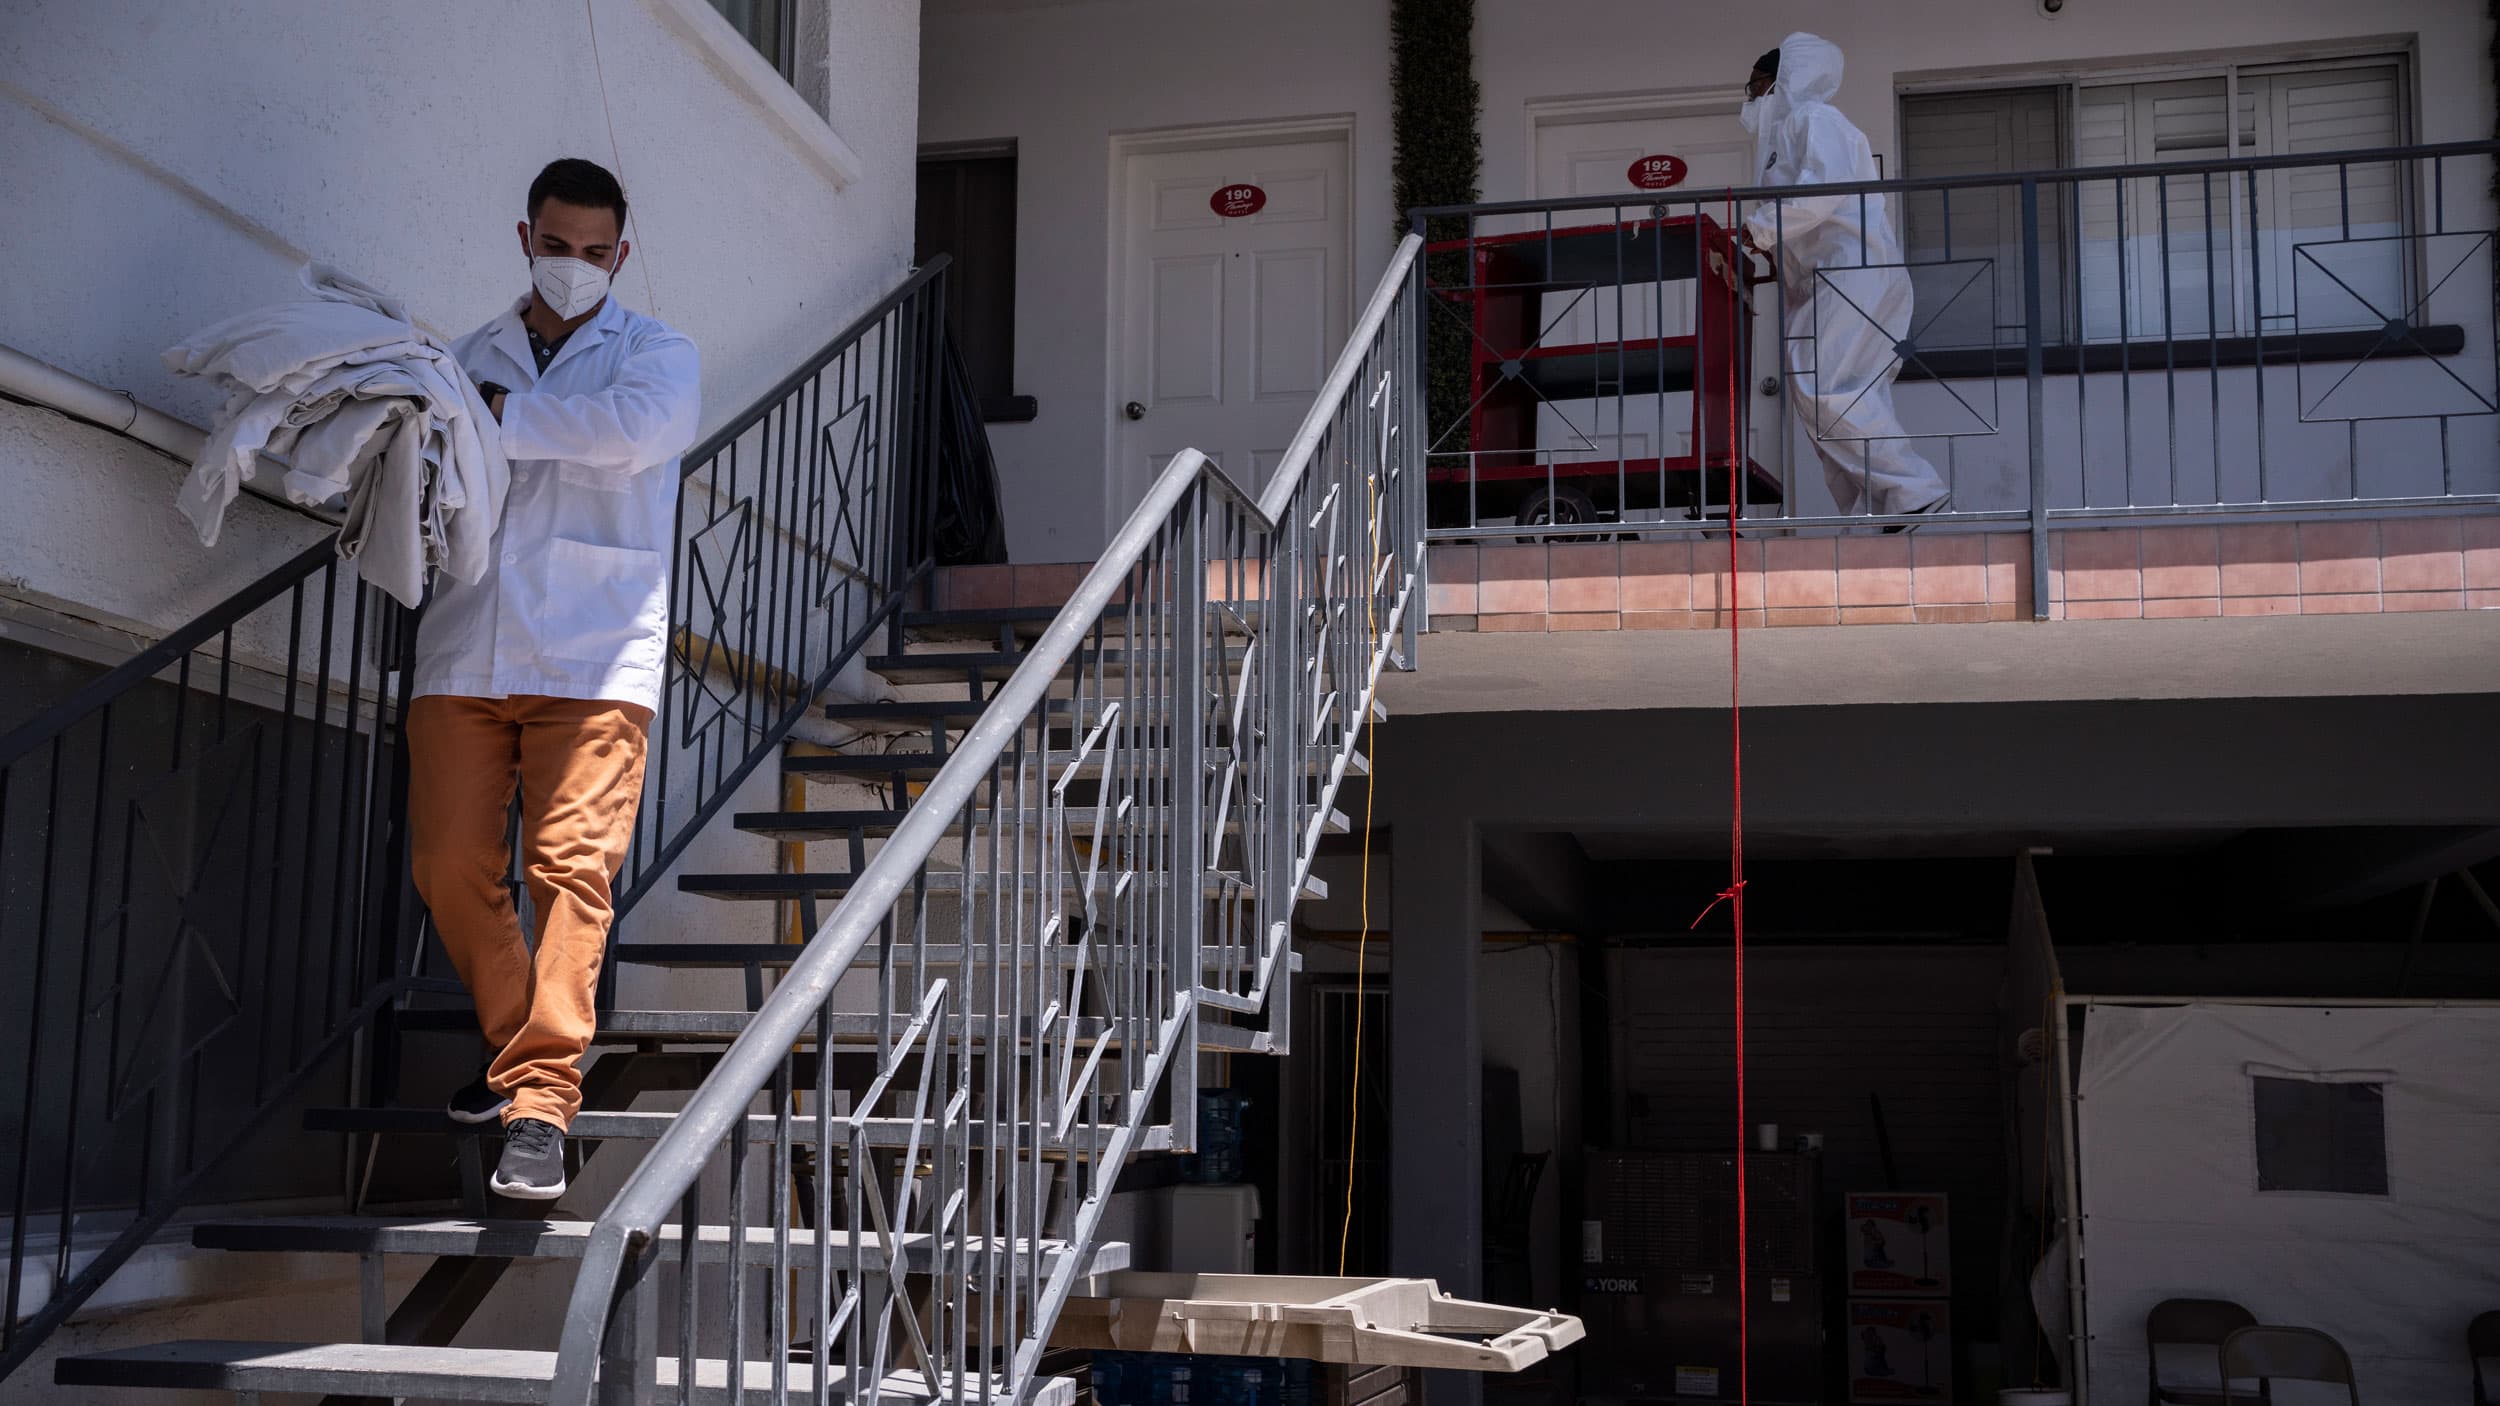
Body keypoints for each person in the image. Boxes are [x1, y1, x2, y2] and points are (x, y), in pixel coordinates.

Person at [407, 157, 700, 1200]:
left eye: (592, 252)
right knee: (447, 859)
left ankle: (538, 1106)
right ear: (523, 238)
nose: (572, 266)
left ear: (619, 256)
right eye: (554, 245)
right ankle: (516, 1046)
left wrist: (496, 417)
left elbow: (630, 434)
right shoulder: (464, 355)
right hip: (466, 637)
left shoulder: (658, 353)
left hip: (595, 640)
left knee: (569, 869)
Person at [1739, 34, 1951, 527]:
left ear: (1781, 80)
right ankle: (1877, 507)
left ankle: (1912, 488)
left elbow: (1821, 193)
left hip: (1851, 275)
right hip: (1828, 279)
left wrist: (1760, 229)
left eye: (1755, 85)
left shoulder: (1815, 119)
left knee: (1825, 386)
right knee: (1831, 392)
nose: (1749, 97)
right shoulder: (1792, 130)